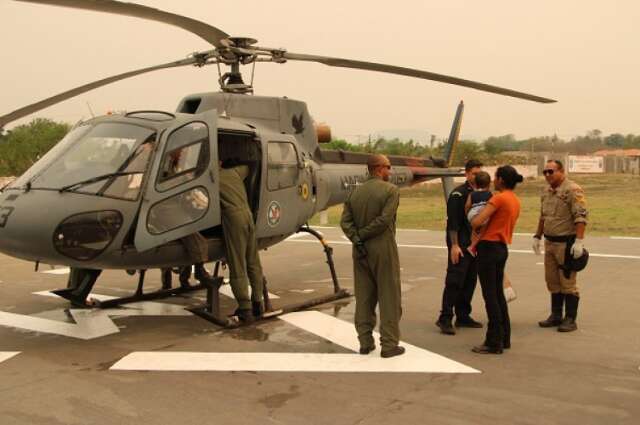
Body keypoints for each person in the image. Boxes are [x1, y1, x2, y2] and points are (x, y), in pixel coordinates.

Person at [340, 154, 404, 358]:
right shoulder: (391, 191)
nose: (390, 171)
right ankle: (389, 344)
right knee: (389, 295)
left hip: (359, 250)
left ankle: (365, 342)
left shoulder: (354, 193)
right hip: (382, 246)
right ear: (379, 168)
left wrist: (356, 238)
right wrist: (364, 234)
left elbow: (345, 222)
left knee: (364, 296)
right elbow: (385, 220)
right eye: (388, 167)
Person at [470, 165, 523, 354]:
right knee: (498, 295)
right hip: (501, 247)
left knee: (490, 296)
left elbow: (477, 221)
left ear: (500, 179)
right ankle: (504, 336)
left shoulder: (498, 198)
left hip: (488, 248)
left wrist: (473, 215)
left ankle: (493, 341)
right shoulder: (514, 200)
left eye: (495, 177)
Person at [533, 160, 588, 332]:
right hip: (550, 242)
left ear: (561, 171)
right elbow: (543, 216)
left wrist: (579, 241)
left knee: (568, 282)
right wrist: (537, 236)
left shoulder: (573, 189)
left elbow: (581, 216)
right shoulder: (546, 191)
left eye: (551, 171)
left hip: (566, 243)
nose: (548, 175)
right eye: (545, 172)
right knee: (552, 281)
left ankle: (570, 319)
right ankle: (556, 315)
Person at [435, 159, 484, 335]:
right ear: (467, 174)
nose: (476, 176)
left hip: (474, 245)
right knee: (455, 281)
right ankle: (445, 317)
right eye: (474, 173)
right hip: (460, 243)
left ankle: (463, 315)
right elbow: (453, 223)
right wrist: (454, 246)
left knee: (470, 280)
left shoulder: (482, 193)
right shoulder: (458, 194)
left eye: (479, 173)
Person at [219, 162, 264, 323]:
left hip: (233, 219)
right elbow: (249, 166)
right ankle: (258, 301)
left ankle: (245, 307)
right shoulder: (234, 172)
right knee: (252, 260)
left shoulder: (211, 180)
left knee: (237, 262)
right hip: (248, 216)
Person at [465, 170, 493, 255]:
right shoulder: (490, 194)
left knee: (474, 229)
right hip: (482, 214)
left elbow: (467, 205)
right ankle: (474, 246)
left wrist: (467, 214)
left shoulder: (472, 194)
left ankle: (471, 244)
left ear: (476, 184)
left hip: (472, 213)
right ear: (489, 184)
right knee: (484, 228)